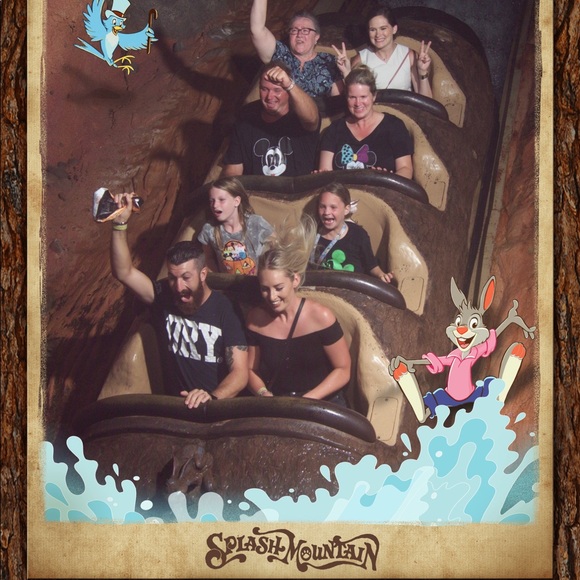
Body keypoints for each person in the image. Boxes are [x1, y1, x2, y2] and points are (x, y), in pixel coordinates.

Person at [109, 192, 249, 408]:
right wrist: (119, 224)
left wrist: (211, 398)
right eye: (173, 278)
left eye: (186, 278)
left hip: (215, 407)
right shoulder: (164, 295)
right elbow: (124, 272)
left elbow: (240, 374)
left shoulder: (225, 309)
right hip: (175, 408)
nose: (179, 287)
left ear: (203, 274)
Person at [245, 215, 351, 406]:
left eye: (279, 288)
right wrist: (263, 394)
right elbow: (251, 370)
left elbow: (343, 369)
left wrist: (306, 401)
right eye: (265, 289)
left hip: (322, 402)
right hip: (278, 404)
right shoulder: (255, 319)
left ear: (295, 280)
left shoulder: (321, 316)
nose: (272, 296)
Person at [221, 61, 321, 177]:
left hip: (297, 187)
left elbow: (312, 119)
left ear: (288, 91)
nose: (269, 97)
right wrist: (229, 186)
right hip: (256, 188)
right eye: (264, 89)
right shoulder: (246, 117)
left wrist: (289, 84)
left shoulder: (300, 114)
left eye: (277, 90)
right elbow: (233, 169)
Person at [318, 64, 414, 178]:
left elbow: (406, 169)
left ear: (374, 96)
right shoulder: (334, 130)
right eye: (352, 97)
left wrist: (385, 179)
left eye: (363, 97)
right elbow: (325, 172)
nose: (358, 103)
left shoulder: (394, 126)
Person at [333, 6, 432, 97]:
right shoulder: (361, 59)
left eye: (383, 28)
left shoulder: (409, 55)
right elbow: (354, 99)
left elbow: (426, 101)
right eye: (373, 30)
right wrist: (346, 73)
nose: (378, 34)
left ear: (394, 29)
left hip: (405, 109)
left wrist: (422, 71)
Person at [250, 0, 343, 97]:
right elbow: (257, 30)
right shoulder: (279, 52)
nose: (299, 35)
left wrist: (346, 73)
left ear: (316, 37)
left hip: (319, 107)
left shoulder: (329, 61)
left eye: (305, 30)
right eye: (294, 30)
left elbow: (337, 100)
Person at [310, 182, 394, 284]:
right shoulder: (310, 233)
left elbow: (371, 265)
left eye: (333, 207)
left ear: (346, 209)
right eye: (322, 206)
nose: (326, 212)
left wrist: (381, 275)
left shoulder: (358, 235)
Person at [197, 176, 273, 275]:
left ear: (236, 201)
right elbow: (208, 258)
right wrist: (218, 277)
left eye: (221, 200)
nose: (215, 205)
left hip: (256, 281)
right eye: (212, 201)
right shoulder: (209, 230)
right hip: (227, 283)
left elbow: (276, 249)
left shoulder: (256, 223)